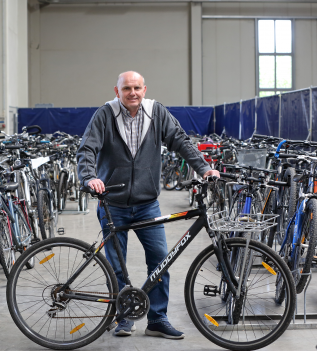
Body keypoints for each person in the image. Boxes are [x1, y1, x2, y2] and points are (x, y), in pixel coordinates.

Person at [77, 71, 219, 339]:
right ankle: (123, 317)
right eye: (127, 88)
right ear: (117, 91)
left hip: (147, 204)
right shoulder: (105, 114)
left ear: (144, 89)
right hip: (114, 202)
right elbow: (87, 149)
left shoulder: (157, 112)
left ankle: (157, 318)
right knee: (117, 266)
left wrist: (203, 169)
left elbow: (180, 141)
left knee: (160, 260)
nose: (132, 92)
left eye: (137, 88)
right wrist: (89, 177)